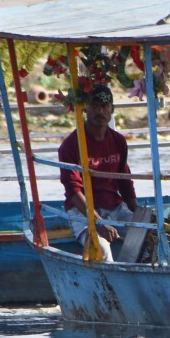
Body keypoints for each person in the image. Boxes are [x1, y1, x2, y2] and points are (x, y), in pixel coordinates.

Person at [58, 84, 139, 262]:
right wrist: (97, 222)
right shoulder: (71, 145)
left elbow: (124, 181)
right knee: (100, 248)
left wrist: (138, 212)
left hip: (115, 207)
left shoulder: (118, 141)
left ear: (111, 109)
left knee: (149, 235)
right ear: (86, 108)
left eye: (104, 106)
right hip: (82, 212)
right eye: (94, 106)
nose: (99, 111)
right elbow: (73, 190)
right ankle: (111, 280)